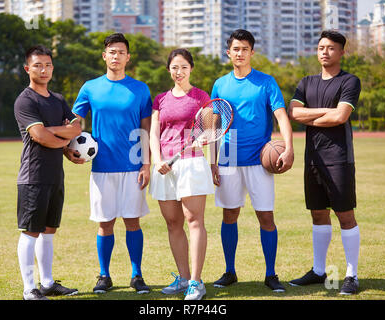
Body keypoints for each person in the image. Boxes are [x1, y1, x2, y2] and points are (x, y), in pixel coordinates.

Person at [210, 29, 294, 293]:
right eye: (236, 48)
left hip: (260, 157)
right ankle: (229, 271)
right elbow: (213, 124)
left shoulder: (266, 82)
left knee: (265, 217)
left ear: (252, 52)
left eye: (245, 49)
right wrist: (212, 161)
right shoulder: (220, 84)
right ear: (229, 52)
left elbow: (281, 116)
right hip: (228, 156)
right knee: (229, 214)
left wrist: (288, 147)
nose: (240, 53)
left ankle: (271, 274)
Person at [68, 33, 152, 294]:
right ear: (105, 56)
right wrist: (67, 149)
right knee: (104, 223)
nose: (116, 56)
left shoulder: (140, 89)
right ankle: (104, 276)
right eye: (111, 52)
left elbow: (146, 128)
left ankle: (136, 275)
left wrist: (146, 164)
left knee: (132, 221)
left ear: (128, 57)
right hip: (102, 167)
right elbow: (74, 122)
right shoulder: (90, 87)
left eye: (121, 52)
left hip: (132, 167)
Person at [288, 30, 361, 295]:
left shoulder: (350, 81)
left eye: (330, 48)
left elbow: (341, 116)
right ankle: (319, 271)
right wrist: (326, 113)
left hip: (339, 159)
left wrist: (312, 117)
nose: (324, 52)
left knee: (345, 215)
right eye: (321, 47)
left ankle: (352, 275)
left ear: (341, 52)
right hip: (313, 159)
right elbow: (293, 112)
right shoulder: (306, 82)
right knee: (318, 214)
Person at [14, 45, 82, 300]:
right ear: (27, 69)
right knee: (31, 231)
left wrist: (57, 134)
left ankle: (47, 283)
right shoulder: (25, 100)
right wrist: (60, 135)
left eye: (48, 65)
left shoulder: (58, 99)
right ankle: (29, 289)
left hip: (55, 175)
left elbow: (76, 127)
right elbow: (39, 136)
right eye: (37, 65)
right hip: (34, 176)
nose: (43, 70)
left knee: (49, 230)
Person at [149, 48, 214, 300]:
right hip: (165, 167)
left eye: (184, 67)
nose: (179, 72)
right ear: (169, 70)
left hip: (192, 165)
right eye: (175, 67)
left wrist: (202, 140)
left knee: (193, 220)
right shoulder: (160, 99)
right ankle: (184, 278)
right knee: (173, 223)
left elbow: (209, 131)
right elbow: (154, 132)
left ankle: (197, 283)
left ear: (191, 69)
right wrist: (157, 160)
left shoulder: (201, 96)